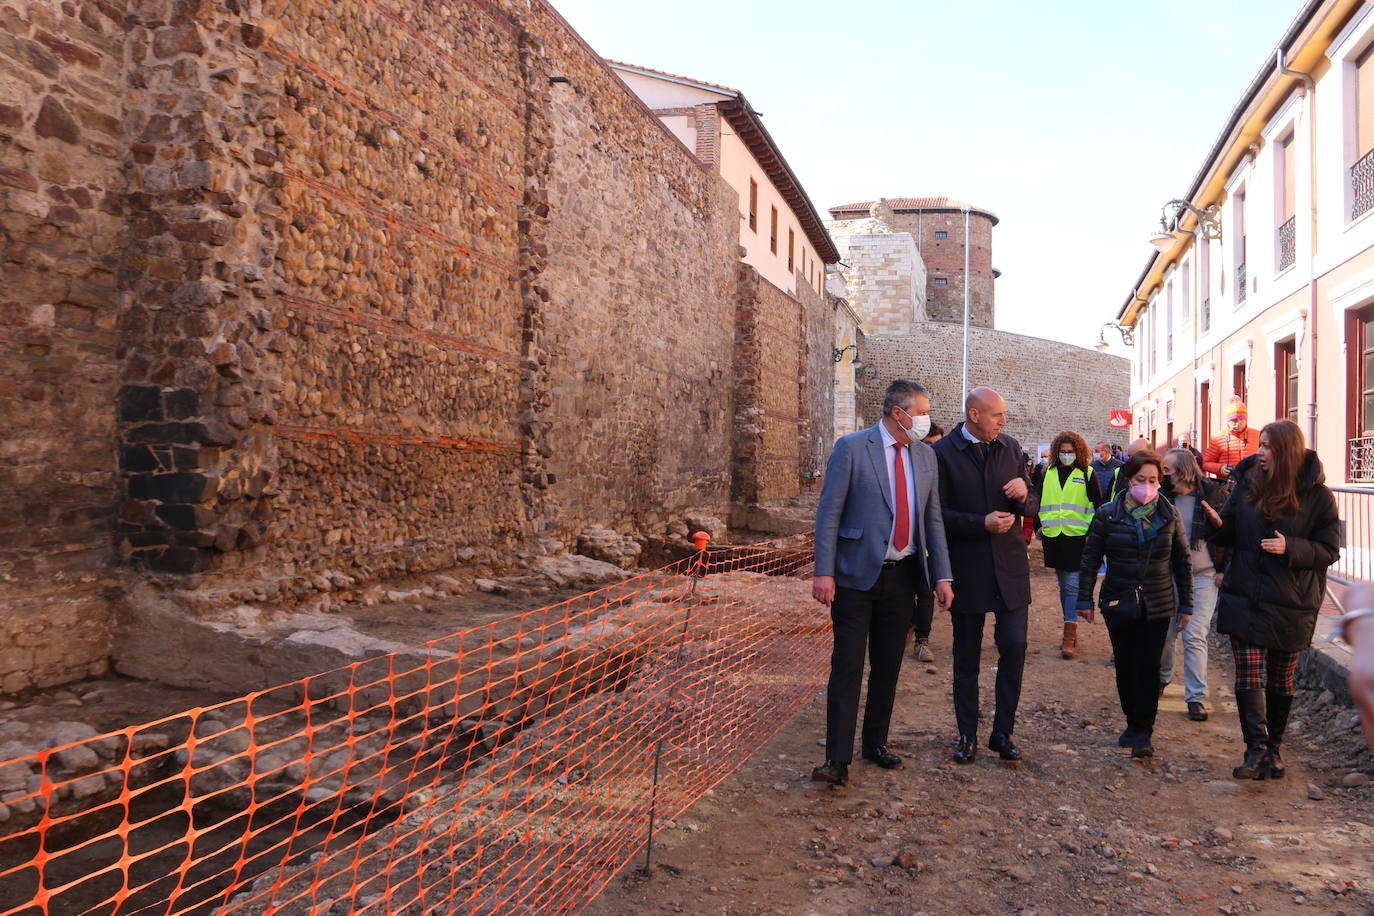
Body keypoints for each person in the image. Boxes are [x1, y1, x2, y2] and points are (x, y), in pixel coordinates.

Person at [810, 380, 954, 785]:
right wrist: (824, 571)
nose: (925, 420)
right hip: (855, 577)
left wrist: (942, 575)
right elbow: (829, 513)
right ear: (898, 413)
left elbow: (933, 520)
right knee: (848, 667)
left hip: (903, 578)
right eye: (921, 412)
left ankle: (875, 742)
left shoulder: (925, 457)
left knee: (888, 667)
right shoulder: (853, 448)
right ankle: (836, 759)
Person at [1203, 419, 1339, 780]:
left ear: (1285, 450)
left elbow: (1329, 548)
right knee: (1249, 673)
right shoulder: (1247, 484)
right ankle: (1256, 750)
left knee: (1281, 678)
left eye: (1266, 446)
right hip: (1245, 592)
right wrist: (1217, 525)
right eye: (1259, 445)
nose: (1259, 452)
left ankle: (1273, 750)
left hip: (1291, 600)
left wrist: (1290, 547)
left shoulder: (1317, 494)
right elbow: (1229, 531)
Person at [931, 387, 1038, 764]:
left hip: (1009, 569)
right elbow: (937, 515)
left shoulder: (1010, 447)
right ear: (974, 416)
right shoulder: (942, 454)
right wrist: (981, 523)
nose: (1003, 422)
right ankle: (967, 734)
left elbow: (1034, 505)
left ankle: (1002, 732)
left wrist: (1025, 493)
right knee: (966, 656)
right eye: (997, 415)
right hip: (969, 569)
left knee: (1015, 647)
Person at [1076, 450, 1193, 758]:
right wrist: (1084, 598)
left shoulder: (1169, 515)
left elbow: (1182, 562)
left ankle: (1144, 731)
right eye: (1141, 479)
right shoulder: (1108, 514)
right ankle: (1132, 721)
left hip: (1158, 602)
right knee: (1126, 666)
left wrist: (1186, 605)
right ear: (1128, 480)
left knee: (1149, 666)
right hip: (1120, 600)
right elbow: (1090, 560)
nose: (1147, 486)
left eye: (1153, 480)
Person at [1157, 449, 1230, 721]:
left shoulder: (1213, 493)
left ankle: (1196, 697)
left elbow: (1228, 533)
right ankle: (1162, 678)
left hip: (1203, 574)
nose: (1164, 474)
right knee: (1166, 632)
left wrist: (1223, 569)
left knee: (1195, 634)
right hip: (1169, 574)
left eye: (1168, 469)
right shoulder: (1163, 496)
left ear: (1184, 470)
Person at [1036, 431, 1105, 659]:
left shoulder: (1087, 473)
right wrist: (1039, 527)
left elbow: (1098, 505)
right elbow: (1039, 500)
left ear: (1078, 452)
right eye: (1063, 452)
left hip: (1077, 537)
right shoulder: (1047, 472)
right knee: (1062, 582)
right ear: (1057, 452)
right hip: (1053, 537)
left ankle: (1069, 632)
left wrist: (1091, 533)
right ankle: (1070, 626)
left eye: (1070, 452)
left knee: (1072, 585)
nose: (1067, 455)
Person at [910, 424, 947, 662]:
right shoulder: (908, 467)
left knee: (926, 592)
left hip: (930, 546)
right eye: (931, 444)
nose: (935, 450)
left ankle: (921, 640)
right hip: (907, 544)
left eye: (938, 445)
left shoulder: (941, 469)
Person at [1203, 397, 1260, 481]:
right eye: (1234, 420)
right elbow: (1206, 464)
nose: (1238, 423)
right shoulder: (1217, 438)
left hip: (1252, 484)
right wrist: (1220, 468)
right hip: (1227, 486)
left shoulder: (1257, 435)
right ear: (1228, 421)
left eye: (1241, 419)